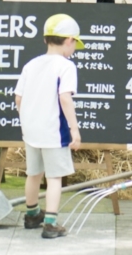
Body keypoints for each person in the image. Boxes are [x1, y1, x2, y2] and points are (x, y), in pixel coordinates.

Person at [14, 14, 83, 239]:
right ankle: (51, 223)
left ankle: (32, 214)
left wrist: (28, 120)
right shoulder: (66, 66)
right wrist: (74, 129)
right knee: (54, 177)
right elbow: (65, 98)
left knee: (33, 173)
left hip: (31, 129)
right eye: (75, 44)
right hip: (54, 130)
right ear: (69, 40)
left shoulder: (31, 64)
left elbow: (18, 99)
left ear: (46, 40)